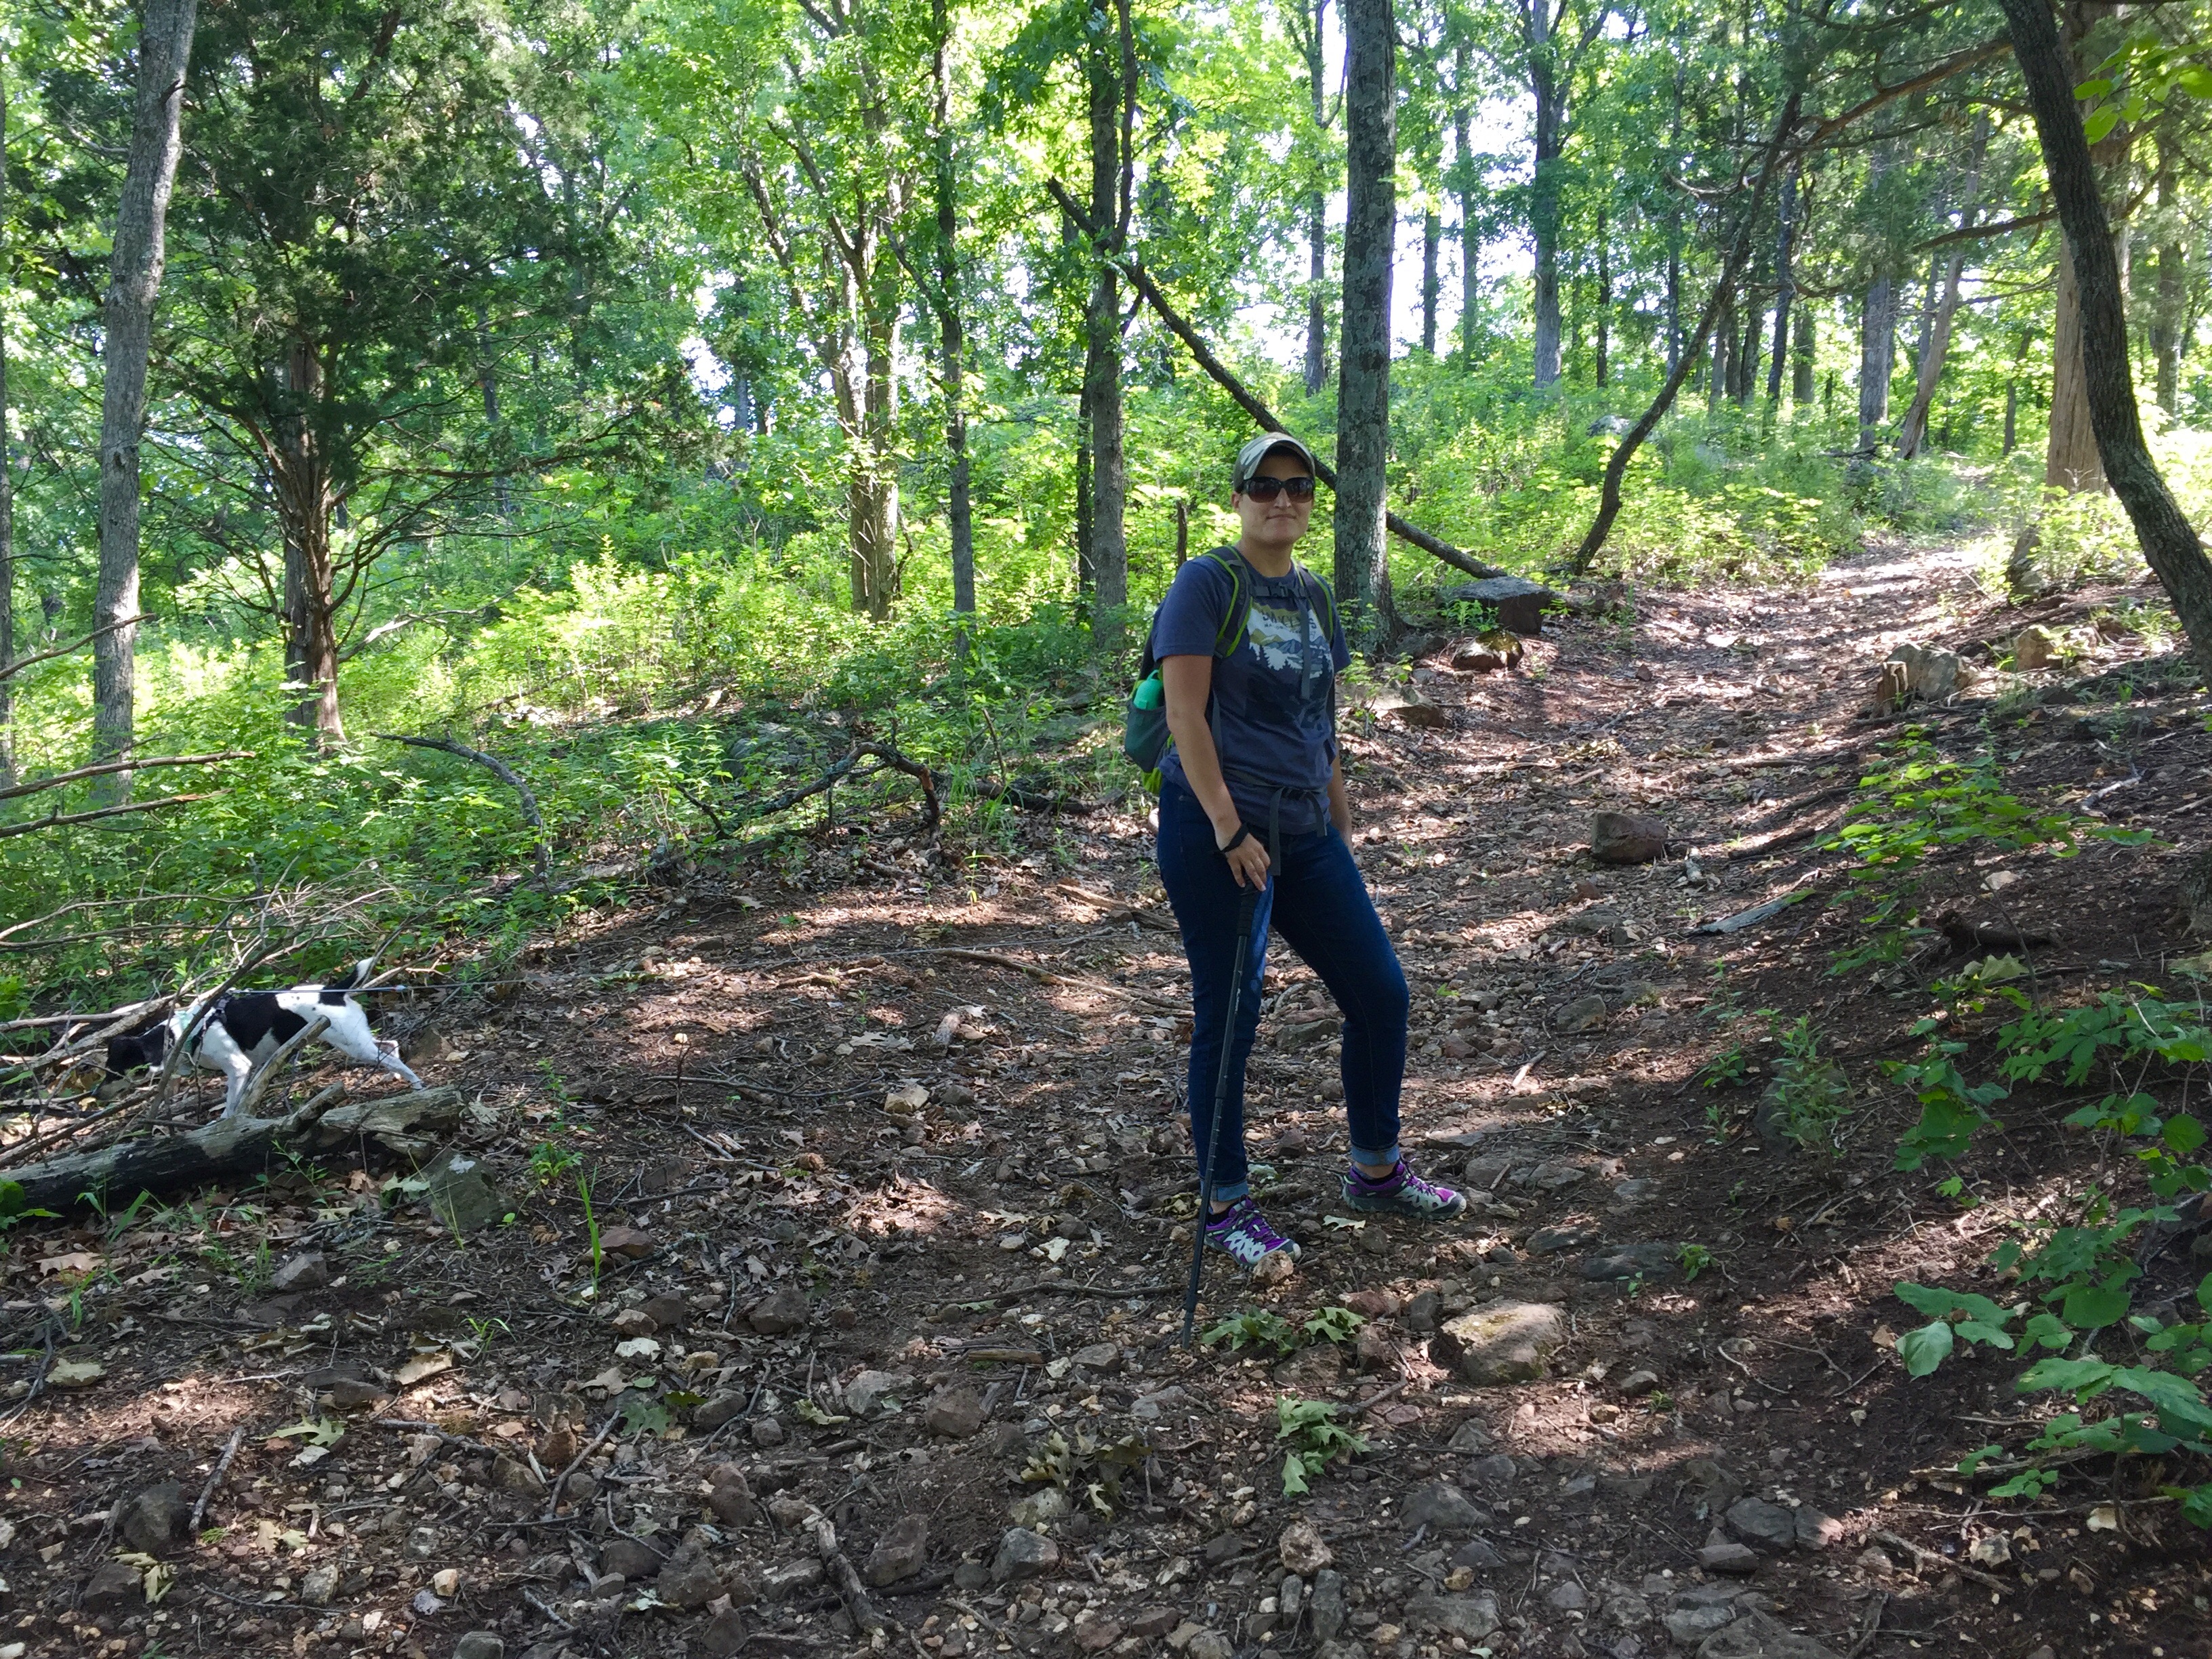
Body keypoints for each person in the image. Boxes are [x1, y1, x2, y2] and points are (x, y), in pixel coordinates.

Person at [1151, 432, 1464, 1273]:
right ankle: (1225, 1204)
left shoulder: (1316, 595)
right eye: (1265, 486)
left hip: (1305, 827)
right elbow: (1184, 715)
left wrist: (1339, 818)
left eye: (1297, 486)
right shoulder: (1206, 583)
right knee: (1232, 1011)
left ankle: (1376, 1171)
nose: (1282, 499)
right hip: (1214, 830)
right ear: (1238, 497)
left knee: (1380, 993)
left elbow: (1317, 717)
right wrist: (1229, 828)